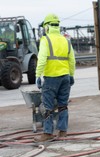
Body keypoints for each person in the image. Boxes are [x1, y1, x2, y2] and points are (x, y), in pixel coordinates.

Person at [34, 13, 76, 142]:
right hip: (65, 77)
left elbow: (41, 60)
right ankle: (62, 132)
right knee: (63, 105)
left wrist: (37, 75)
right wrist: (71, 75)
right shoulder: (65, 40)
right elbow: (72, 60)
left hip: (51, 77)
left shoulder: (45, 40)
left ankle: (47, 133)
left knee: (48, 106)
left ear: (46, 27)